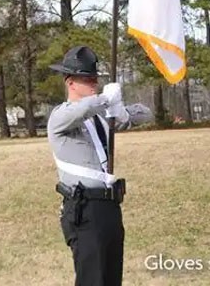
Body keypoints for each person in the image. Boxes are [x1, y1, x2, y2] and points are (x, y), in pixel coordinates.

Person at [47, 45, 153, 286]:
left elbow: (146, 114)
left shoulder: (101, 117)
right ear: (70, 82)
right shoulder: (60, 117)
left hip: (109, 206)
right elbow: (80, 110)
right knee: (92, 280)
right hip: (84, 208)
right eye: (87, 79)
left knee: (111, 278)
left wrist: (121, 112)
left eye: (95, 78)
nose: (93, 82)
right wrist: (104, 99)